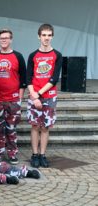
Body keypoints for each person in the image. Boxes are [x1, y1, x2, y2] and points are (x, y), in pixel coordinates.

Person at [26, 24, 62, 168]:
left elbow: (54, 79)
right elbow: (28, 78)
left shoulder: (57, 55)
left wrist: (39, 95)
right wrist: (34, 97)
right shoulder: (33, 55)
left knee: (46, 127)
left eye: (49, 35)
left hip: (49, 96)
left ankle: (42, 154)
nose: (46, 38)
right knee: (35, 126)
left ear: (52, 36)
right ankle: (34, 155)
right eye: (44, 35)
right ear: (39, 36)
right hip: (34, 95)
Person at [0, 29, 27, 164]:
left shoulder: (18, 56)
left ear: (11, 40)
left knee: (11, 129)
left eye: (7, 38)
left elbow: (23, 78)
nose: (4, 40)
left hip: (13, 100)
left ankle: (12, 153)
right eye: (2, 38)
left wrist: (19, 98)